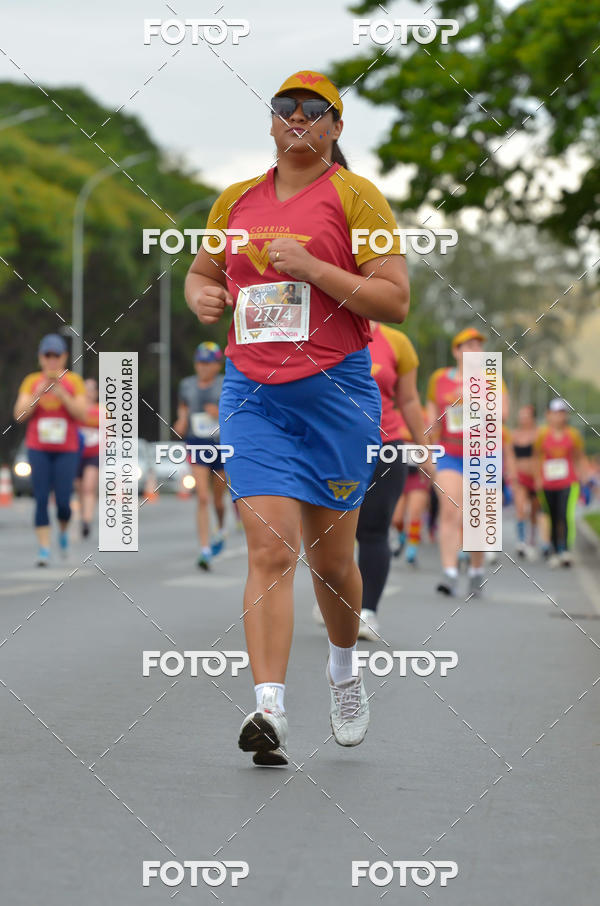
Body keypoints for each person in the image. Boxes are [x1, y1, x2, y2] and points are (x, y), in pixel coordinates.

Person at [185, 70, 409, 765]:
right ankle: (270, 711)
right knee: (271, 550)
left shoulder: (356, 197)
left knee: (335, 565)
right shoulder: (236, 200)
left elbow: (394, 301)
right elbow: (202, 273)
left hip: (337, 396)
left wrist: (314, 269)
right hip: (253, 395)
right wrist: (202, 298)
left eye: (318, 113)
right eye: (288, 110)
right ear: (272, 120)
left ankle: (343, 671)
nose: (300, 121)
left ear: (337, 128)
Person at [355, 327, 434, 640]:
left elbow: (410, 401)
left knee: (372, 530)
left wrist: (424, 450)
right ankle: (334, 598)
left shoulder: (397, 342)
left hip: (385, 447)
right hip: (331, 446)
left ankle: (367, 612)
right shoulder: (322, 325)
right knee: (328, 531)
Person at [426, 328, 509, 597]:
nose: (474, 350)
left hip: (482, 453)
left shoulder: (491, 378)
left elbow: (503, 413)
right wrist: (426, 450)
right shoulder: (439, 379)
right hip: (448, 452)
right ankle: (449, 573)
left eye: (478, 346)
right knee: (450, 510)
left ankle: (475, 571)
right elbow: (430, 419)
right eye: (468, 345)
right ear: (456, 351)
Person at [13, 334, 87, 565]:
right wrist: (39, 393)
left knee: (64, 501)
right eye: (48, 355)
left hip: (67, 449)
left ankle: (63, 532)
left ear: (64, 357)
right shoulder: (32, 381)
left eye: (57, 355)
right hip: (38, 447)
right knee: (41, 498)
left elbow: (82, 414)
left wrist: (62, 394)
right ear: (41, 358)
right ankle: (44, 548)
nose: (52, 360)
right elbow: (19, 415)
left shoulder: (73, 381)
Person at [173, 342, 227, 570]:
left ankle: (221, 528)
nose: (203, 367)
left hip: (222, 445)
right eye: (200, 362)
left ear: (217, 365)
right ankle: (205, 549)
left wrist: (221, 413)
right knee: (202, 497)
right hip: (197, 443)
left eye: (208, 363)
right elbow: (183, 409)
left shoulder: (225, 383)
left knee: (217, 500)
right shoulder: (186, 385)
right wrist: (181, 421)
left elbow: (239, 412)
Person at [533, 398, 587, 567]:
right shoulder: (542, 434)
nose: (559, 417)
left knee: (565, 514)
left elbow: (579, 457)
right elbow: (536, 458)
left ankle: (566, 550)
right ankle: (555, 550)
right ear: (549, 415)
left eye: (562, 413)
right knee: (553, 516)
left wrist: (583, 476)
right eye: (556, 413)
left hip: (568, 482)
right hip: (548, 483)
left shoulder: (573, 435)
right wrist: (537, 478)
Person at [391, 406, 433, 567]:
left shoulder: (422, 414)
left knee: (415, 513)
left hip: (419, 473)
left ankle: (411, 552)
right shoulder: (393, 415)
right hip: (400, 471)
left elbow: (431, 437)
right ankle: (402, 536)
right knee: (397, 518)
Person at [511, 404, 539, 558]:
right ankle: (521, 541)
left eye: (526, 416)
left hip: (535, 476)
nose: (523, 419)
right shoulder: (514, 435)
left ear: (532, 418)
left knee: (534, 511)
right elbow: (510, 456)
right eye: (521, 416)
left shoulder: (539, 434)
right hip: (520, 476)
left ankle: (532, 539)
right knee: (520, 508)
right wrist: (512, 473)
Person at [76, 378, 100, 538]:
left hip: (94, 454)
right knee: (79, 488)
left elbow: (110, 432)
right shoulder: (77, 409)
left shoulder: (102, 411)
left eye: (92, 390)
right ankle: (83, 512)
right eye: (86, 389)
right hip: (76, 454)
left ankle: (87, 520)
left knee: (89, 487)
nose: (89, 393)